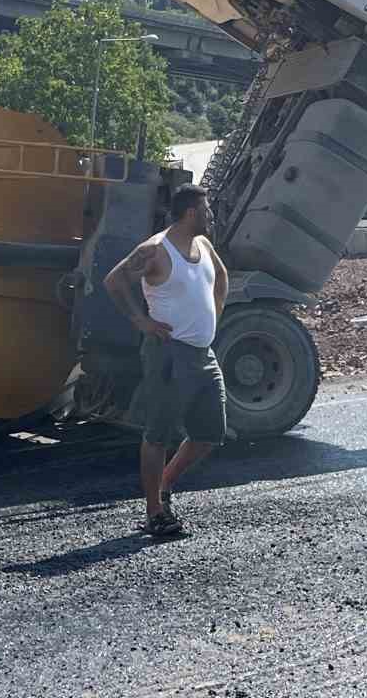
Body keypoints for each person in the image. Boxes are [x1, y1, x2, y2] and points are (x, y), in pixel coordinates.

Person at [104, 183, 229, 538]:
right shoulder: (155, 251)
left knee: (209, 433)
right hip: (168, 354)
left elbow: (220, 276)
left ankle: (164, 487)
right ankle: (154, 513)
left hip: (203, 355)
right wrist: (140, 321)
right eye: (206, 210)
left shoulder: (202, 245)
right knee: (158, 434)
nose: (211, 216)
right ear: (191, 213)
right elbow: (114, 281)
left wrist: (214, 316)